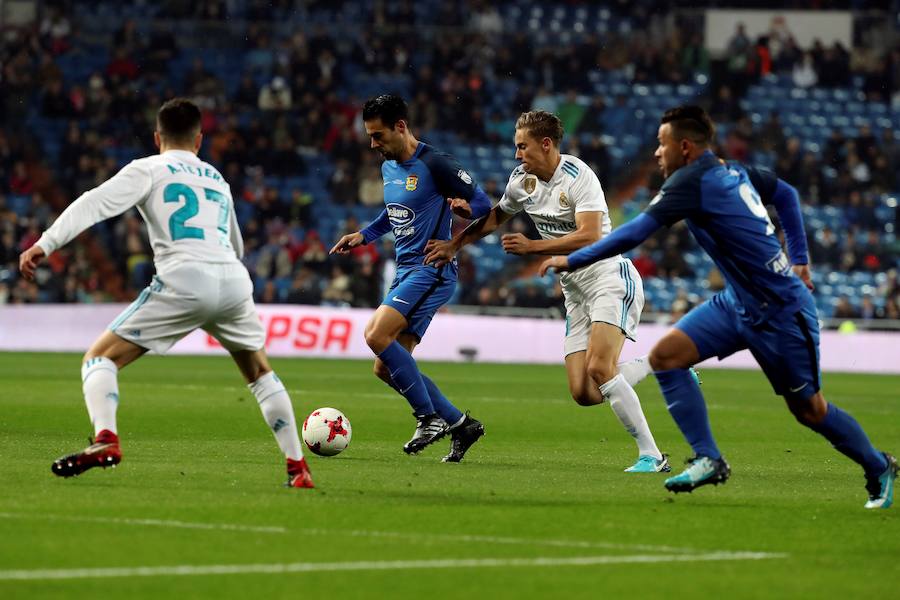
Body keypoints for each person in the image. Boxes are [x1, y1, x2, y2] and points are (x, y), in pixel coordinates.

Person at [539, 105, 897, 508]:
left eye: (662, 144)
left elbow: (636, 232)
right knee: (667, 357)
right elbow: (785, 193)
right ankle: (708, 457)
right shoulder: (731, 170)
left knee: (810, 410)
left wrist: (571, 259)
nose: (656, 153)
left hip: (781, 311)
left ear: (685, 147)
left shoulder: (690, 182)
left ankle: (877, 464)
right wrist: (799, 257)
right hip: (737, 303)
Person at [19, 98, 314, 489]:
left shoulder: (149, 168)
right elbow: (237, 246)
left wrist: (47, 242)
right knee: (260, 374)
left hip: (185, 278)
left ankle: (106, 439)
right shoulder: (216, 178)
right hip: (232, 278)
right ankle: (298, 468)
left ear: (158, 137)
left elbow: (94, 203)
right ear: (199, 140)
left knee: (98, 360)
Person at [425, 110, 669, 473]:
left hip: (608, 278)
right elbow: (494, 216)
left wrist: (534, 247)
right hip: (575, 290)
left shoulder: (578, 176)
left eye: (522, 146)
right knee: (584, 393)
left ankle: (652, 456)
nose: (516, 154)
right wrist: (454, 244)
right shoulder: (522, 181)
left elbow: (591, 235)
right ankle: (660, 363)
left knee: (601, 368)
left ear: (546, 144)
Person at [329, 94, 489, 463]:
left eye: (379, 135)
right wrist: (364, 235)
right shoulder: (389, 165)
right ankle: (461, 424)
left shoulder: (436, 164)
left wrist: (462, 224)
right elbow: (394, 212)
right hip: (405, 270)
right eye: (370, 136)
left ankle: (427, 417)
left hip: (431, 269)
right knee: (386, 367)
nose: (373, 144)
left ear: (401, 126)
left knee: (375, 335)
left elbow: (484, 205)